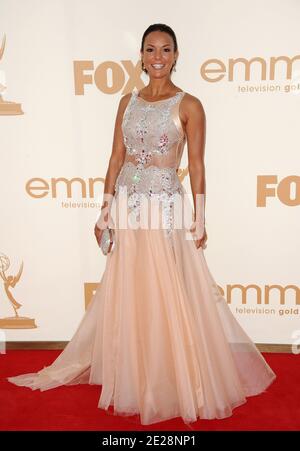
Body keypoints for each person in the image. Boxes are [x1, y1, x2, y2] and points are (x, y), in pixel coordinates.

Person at [7, 23, 276, 426]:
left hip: (165, 209)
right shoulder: (126, 102)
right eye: (151, 50)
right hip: (129, 208)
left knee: (169, 293)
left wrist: (201, 218)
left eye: (166, 50)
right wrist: (104, 209)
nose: (158, 58)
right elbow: (116, 158)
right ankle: (136, 373)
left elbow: (197, 165)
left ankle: (174, 378)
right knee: (133, 293)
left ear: (176, 55)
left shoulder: (190, 105)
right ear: (142, 55)